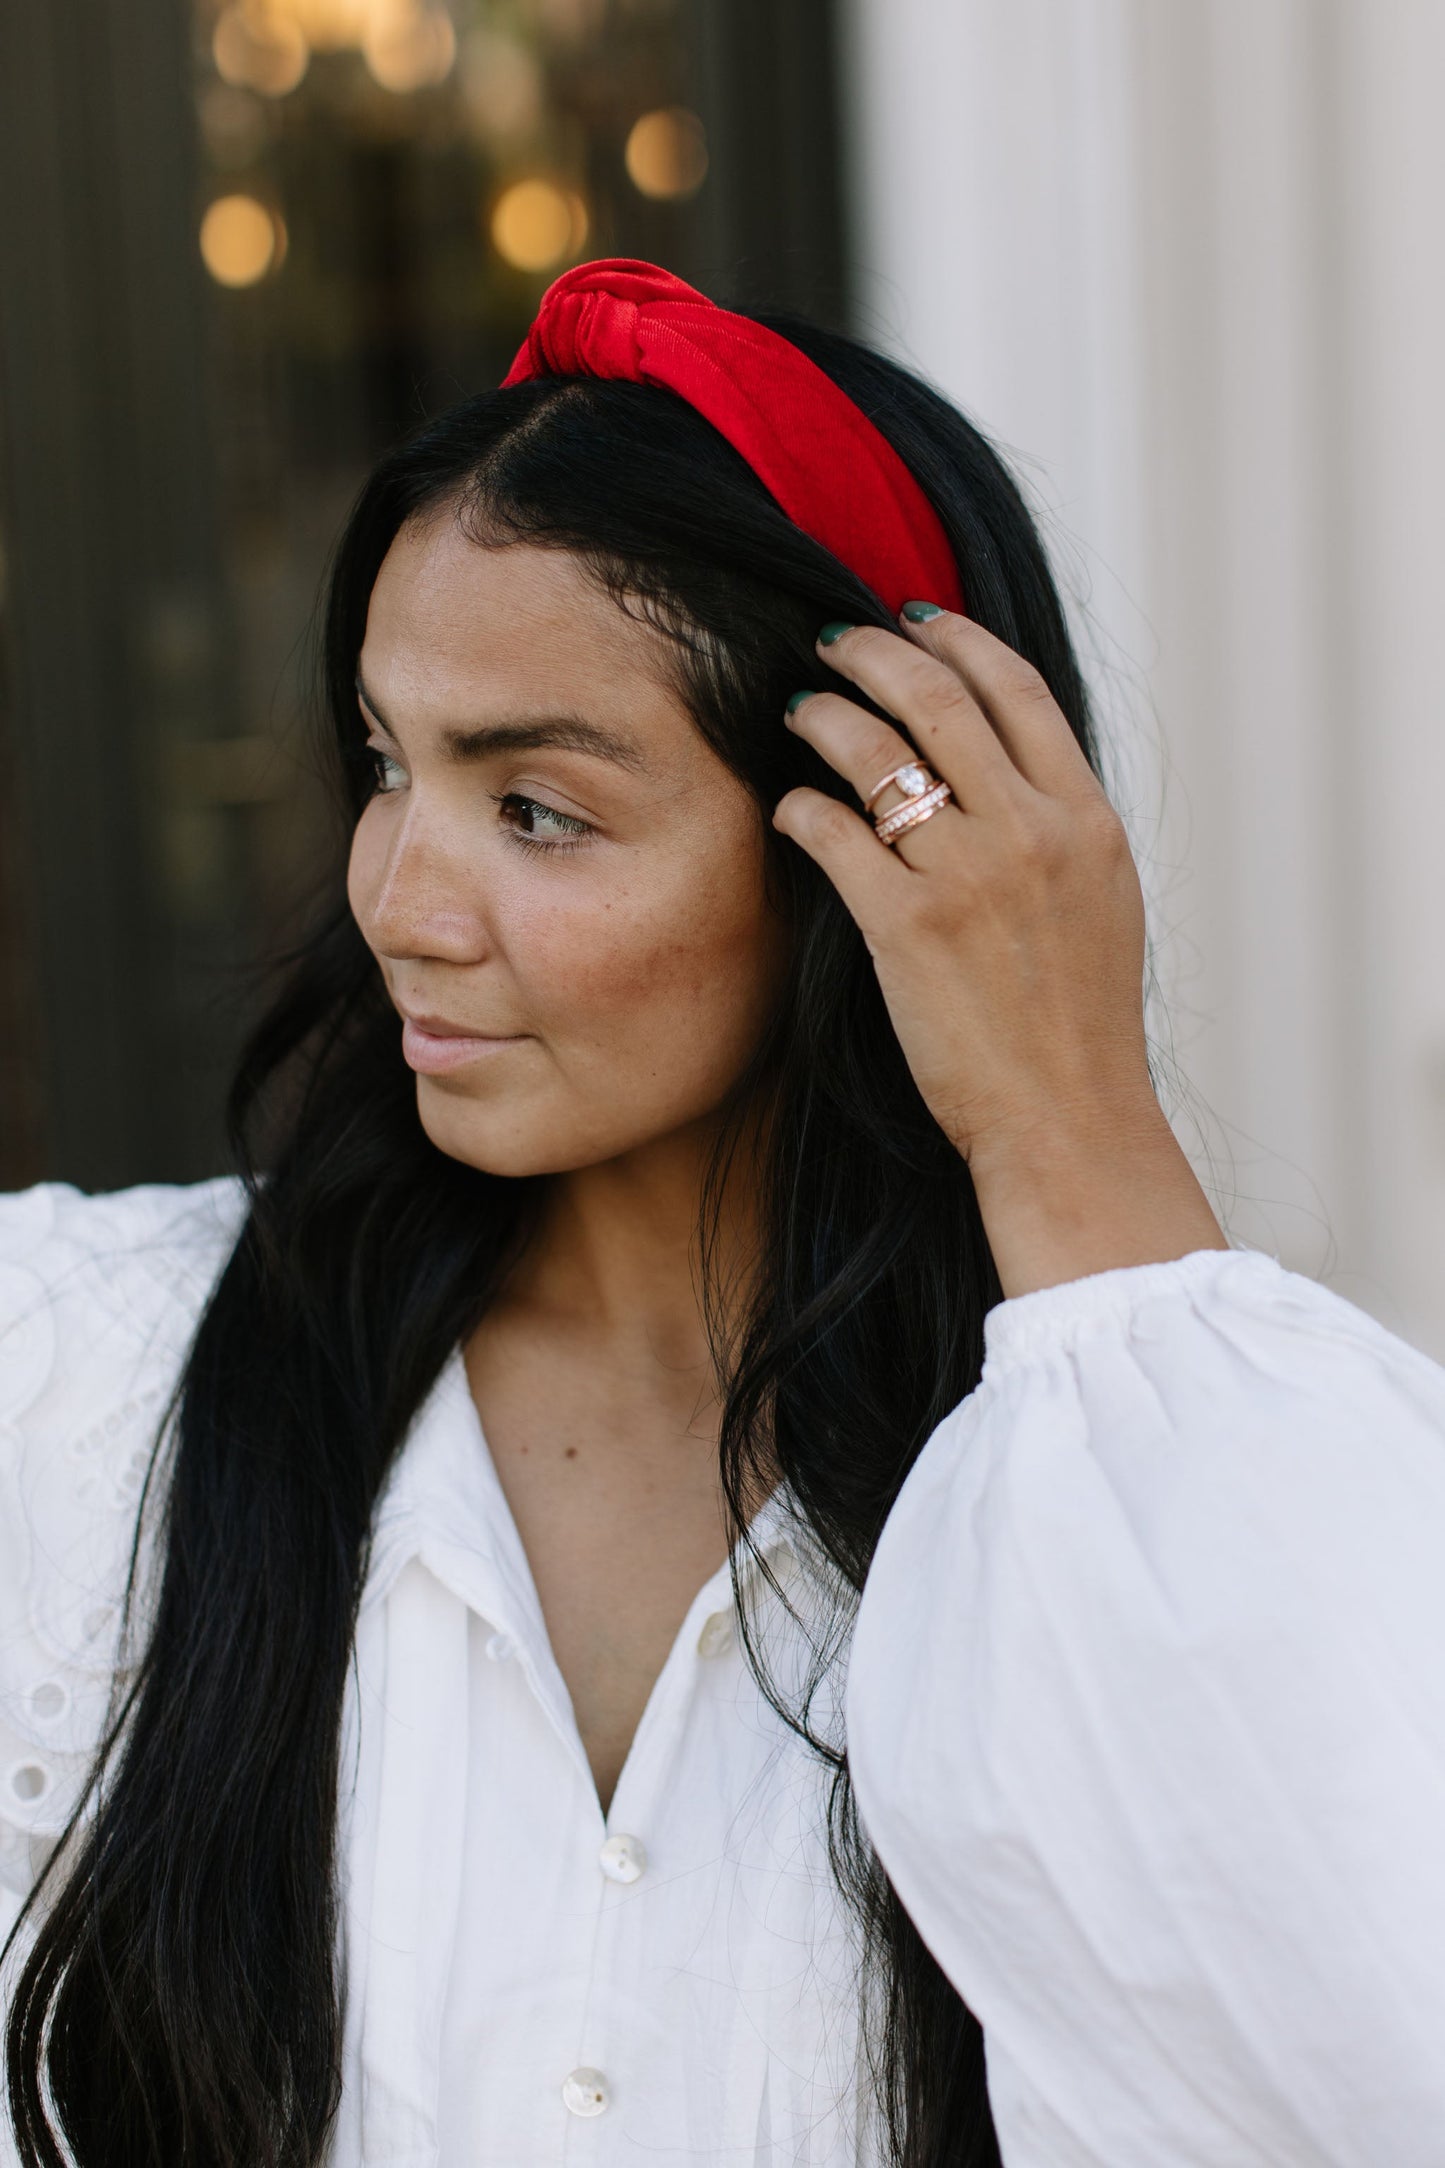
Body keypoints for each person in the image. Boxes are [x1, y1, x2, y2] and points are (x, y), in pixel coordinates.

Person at [3, 258, 1444, 2168]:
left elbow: (1353, 2053)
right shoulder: (78, 1382)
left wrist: (1066, 1117)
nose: (399, 905)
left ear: (874, 834)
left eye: (537, 809)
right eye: (386, 764)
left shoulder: (1124, 1487)